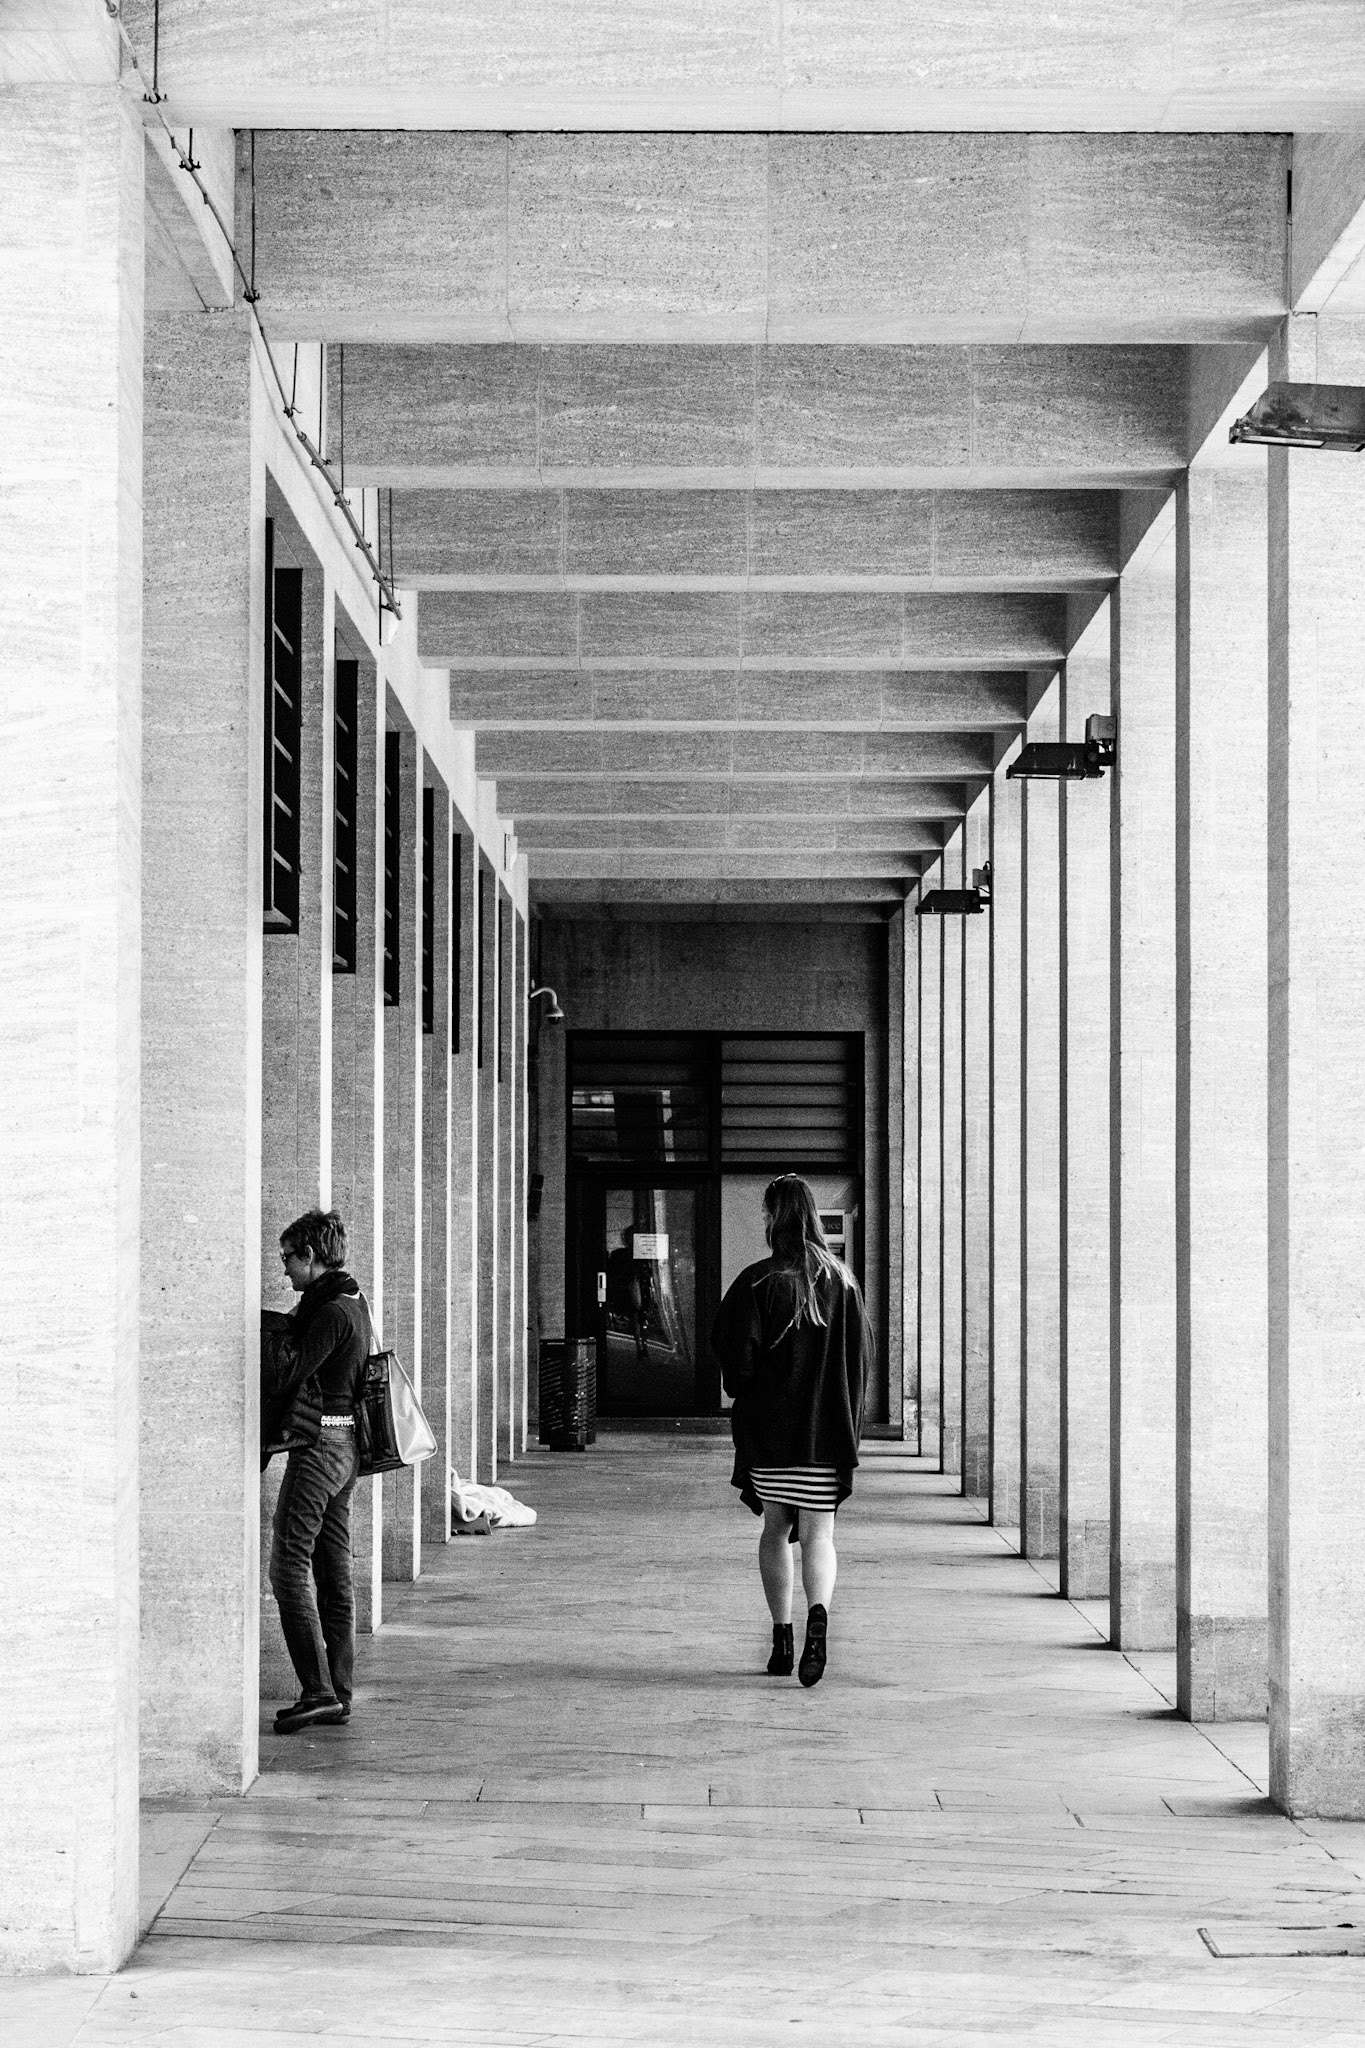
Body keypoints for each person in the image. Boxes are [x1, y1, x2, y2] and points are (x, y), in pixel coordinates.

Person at [711, 1176, 872, 1688]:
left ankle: (782, 1639)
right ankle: (817, 1621)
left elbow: (735, 1360)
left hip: (772, 1434)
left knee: (775, 1531)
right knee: (820, 1534)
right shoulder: (844, 1283)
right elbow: (860, 1365)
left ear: (772, 1217)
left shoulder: (756, 1282)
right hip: (825, 1435)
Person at [268, 1208, 370, 1733]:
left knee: (287, 1567)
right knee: (332, 1571)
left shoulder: (329, 1313)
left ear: (310, 1255)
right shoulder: (354, 1299)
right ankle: (339, 1692)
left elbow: (289, 1374)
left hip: (322, 1445)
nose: (284, 1270)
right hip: (345, 1443)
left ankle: (318, 1691)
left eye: (288, 1258)